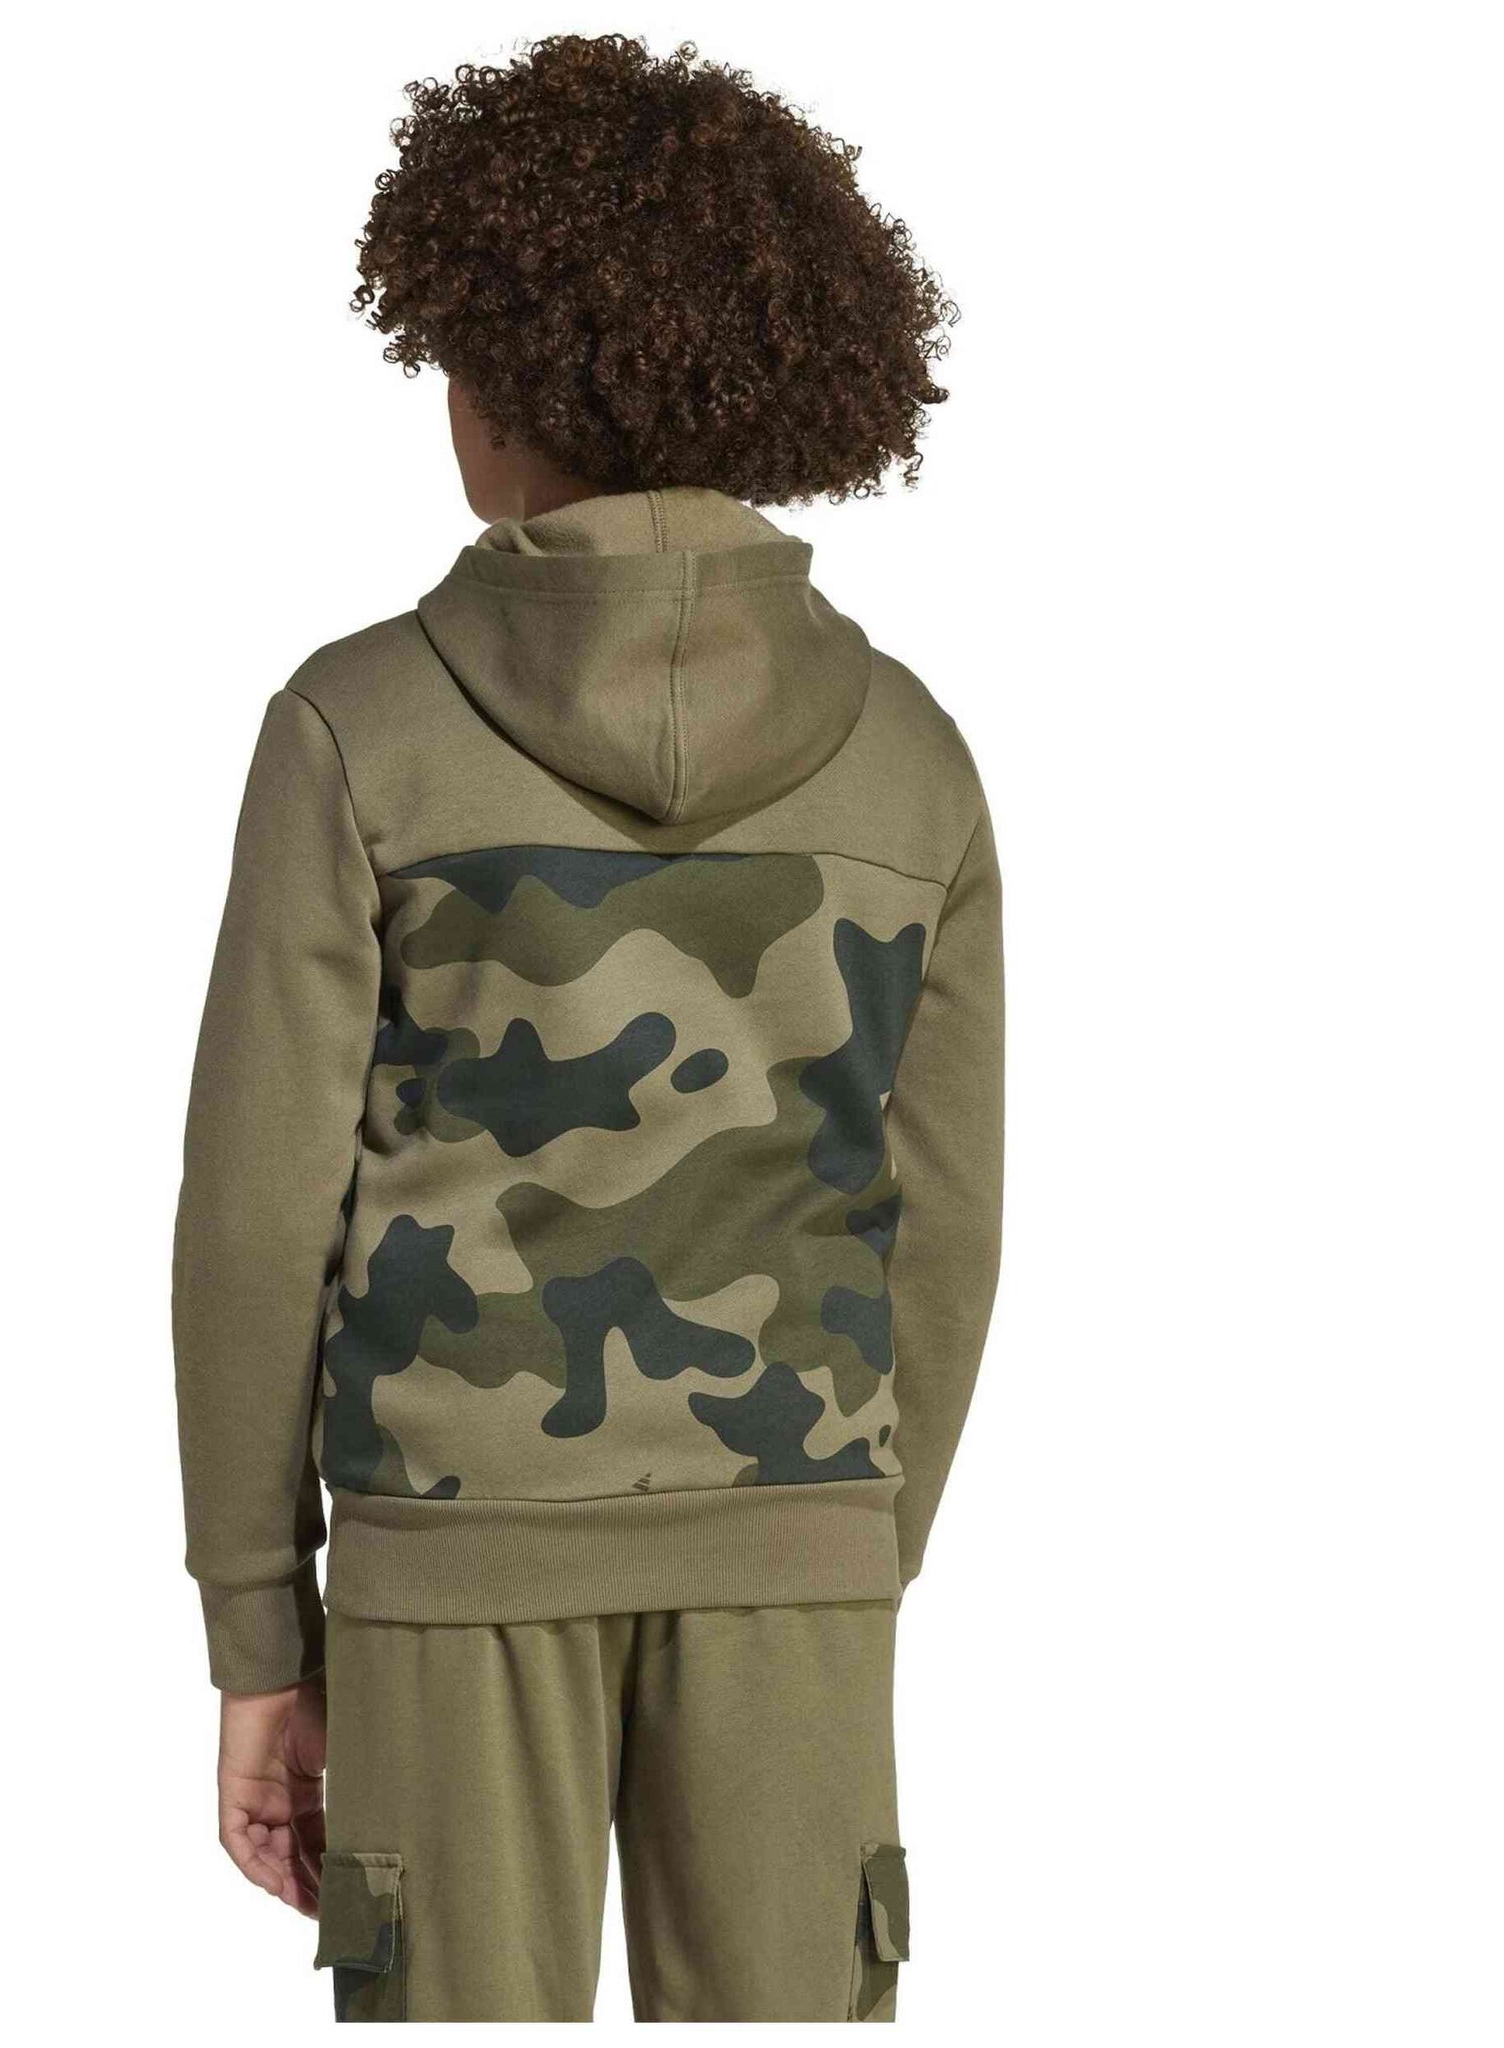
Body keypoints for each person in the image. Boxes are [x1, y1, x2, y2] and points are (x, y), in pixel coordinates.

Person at [173, 33, 1001, 2022]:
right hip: (802, 1540)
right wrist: (848, 1539)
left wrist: (260, 1635)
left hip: (447, 1552)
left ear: (489, 389)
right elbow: (948, 1216)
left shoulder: (355, 728)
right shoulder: (911, 759)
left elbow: (256, 1215)